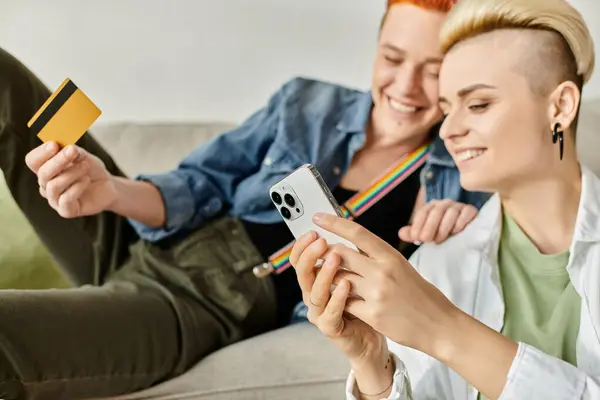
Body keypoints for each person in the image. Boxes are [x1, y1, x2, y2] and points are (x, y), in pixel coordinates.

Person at [0, 1, 489, 398]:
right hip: (146, 236)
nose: (405, 86)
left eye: (433, 70)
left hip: (193, 302)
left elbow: (436, 312)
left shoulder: (463, 176)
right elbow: (200, 184)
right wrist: (110, 192)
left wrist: (453, 237)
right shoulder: (306, 103)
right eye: (393, 58)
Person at [290, 0, 599, 398]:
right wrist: (371, 363)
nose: (449, 130)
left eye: (478, 104)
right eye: (446, 108)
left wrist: (443, 328)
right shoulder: (440, 259)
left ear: (560, 106)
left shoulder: (430, 300)